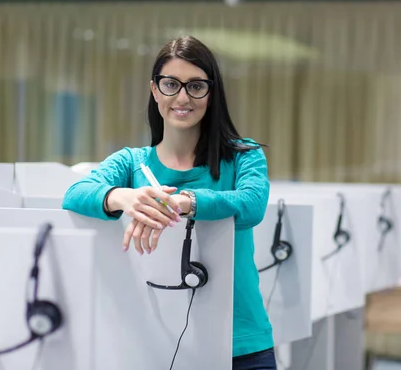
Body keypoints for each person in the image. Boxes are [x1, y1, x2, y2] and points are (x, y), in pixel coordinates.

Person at [62, 35, 277, 369]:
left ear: (211, 92)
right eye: (171, 84)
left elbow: (251, 205)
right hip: (152, 344)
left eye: (195, 86)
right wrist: (124, 197)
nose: (182, 97)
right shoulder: (133, 163)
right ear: (154, 90)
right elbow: (74, 195)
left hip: (242, 343)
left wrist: (183, 202)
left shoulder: (243, 156)